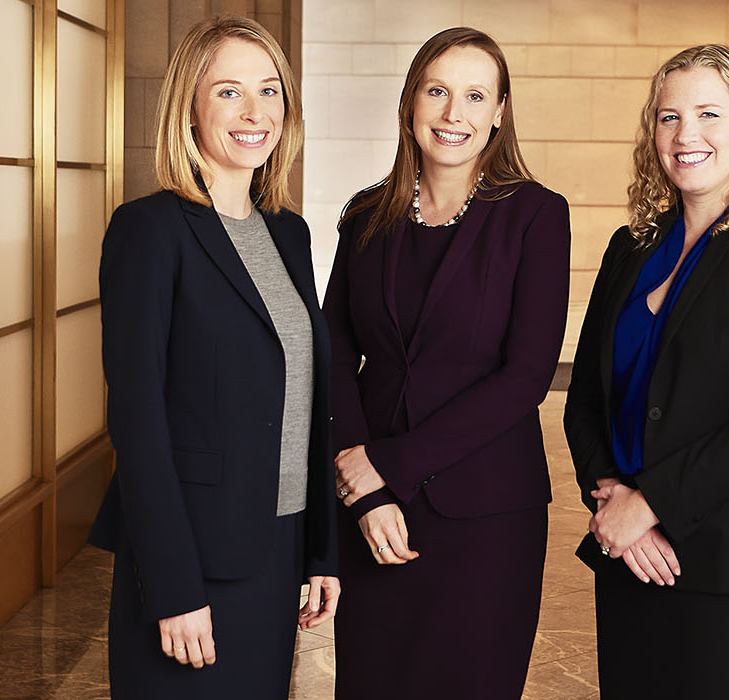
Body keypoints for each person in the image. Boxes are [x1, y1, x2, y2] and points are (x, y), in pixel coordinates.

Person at [563, 44, 729, 699]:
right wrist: (614, 503)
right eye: (668, 117)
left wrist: (650, 504)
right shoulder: (630, 249)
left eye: (709, 114)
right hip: (631, 556)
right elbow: (586, 400)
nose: (687, 135)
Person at [85, 16, 339, 699]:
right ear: (190, 106)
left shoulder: (288, 232)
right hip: (192, 561)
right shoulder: (150, 230)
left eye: (270, 91)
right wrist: (171, 588)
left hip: (277, 548)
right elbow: (137, 423)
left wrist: (320, 548)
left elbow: (306, 399)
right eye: (229, 92)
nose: (256, 112)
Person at [323, 26, 571, 700]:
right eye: (437, 91)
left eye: (473, 95)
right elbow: (335, 349)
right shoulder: (366, 216)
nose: (452, 114)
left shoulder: (535, 216)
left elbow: (526, 375)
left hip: (486, 515)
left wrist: (390, 464)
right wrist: (362, 482)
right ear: (410, 104)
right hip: (371, 507)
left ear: (499, 112)